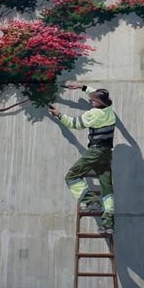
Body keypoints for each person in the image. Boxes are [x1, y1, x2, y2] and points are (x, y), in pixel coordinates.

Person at [49, 81, 116, 234]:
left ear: (98, 102)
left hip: (95, 152)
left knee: (71, 177)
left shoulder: (93, 114)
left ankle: (91, 202)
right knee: (107, 188)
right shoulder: (110, 110)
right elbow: (96, 94)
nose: (90, 101)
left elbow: (74, 124)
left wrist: (58, 114)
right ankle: (108, 224)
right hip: (107, 153)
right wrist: (82, 87)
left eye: (93, 100)